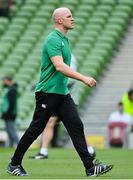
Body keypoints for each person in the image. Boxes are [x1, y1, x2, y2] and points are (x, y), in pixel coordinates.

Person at [7, 7, 113, 177]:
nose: (73, 19)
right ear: (59, 20)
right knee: (35, 129)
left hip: (61, 93)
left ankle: (90, 167)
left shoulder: (64, 40)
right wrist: (84, 78)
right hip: (47, 93)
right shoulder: (53, 39)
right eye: (69, 16)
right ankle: (14, 164)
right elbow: (60, 66)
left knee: (76, 126)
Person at [29, 54, 96, 159]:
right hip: (57, 96)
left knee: (75, 125)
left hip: (67, 97)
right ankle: (43, 151)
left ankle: (89, 149)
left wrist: (53, 84)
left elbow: (71, 79)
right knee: (51, 122)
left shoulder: (69, 57)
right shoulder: (57, 55)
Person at [0, 76, 19, 147]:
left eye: (5, 80)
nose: (4, 82)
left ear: (8, 81)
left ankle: (18, 144)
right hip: (8, 113)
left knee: (11, 130)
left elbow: (12, 103)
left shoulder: (12, 90)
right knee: (8, 130)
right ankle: (11, 145)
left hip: (10, 113)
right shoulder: (8, 89)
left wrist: (8, 112)